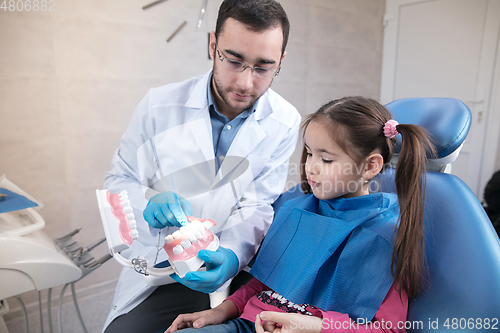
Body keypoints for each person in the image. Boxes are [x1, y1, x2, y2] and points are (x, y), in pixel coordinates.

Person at [102, 0, 300, 332]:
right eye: (233, 60)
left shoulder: (285, 121)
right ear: (212, 45)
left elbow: (258, 202)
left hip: (231, 272)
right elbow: (119, 178)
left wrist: (234, 255)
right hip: (163, 266)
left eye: (263, 67)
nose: (245, 83)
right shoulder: (159, 105)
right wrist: (147, 201)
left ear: (281, 61)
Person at [166, 96, 436, 333]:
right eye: (308, 153)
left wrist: (316, 327)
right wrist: (220, 312)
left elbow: (387, 330)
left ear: (370, 166)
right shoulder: (298, 210)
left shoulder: (387, 236)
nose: (311, 168)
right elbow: (264, 283)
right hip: (247, 324)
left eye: (326, 159)